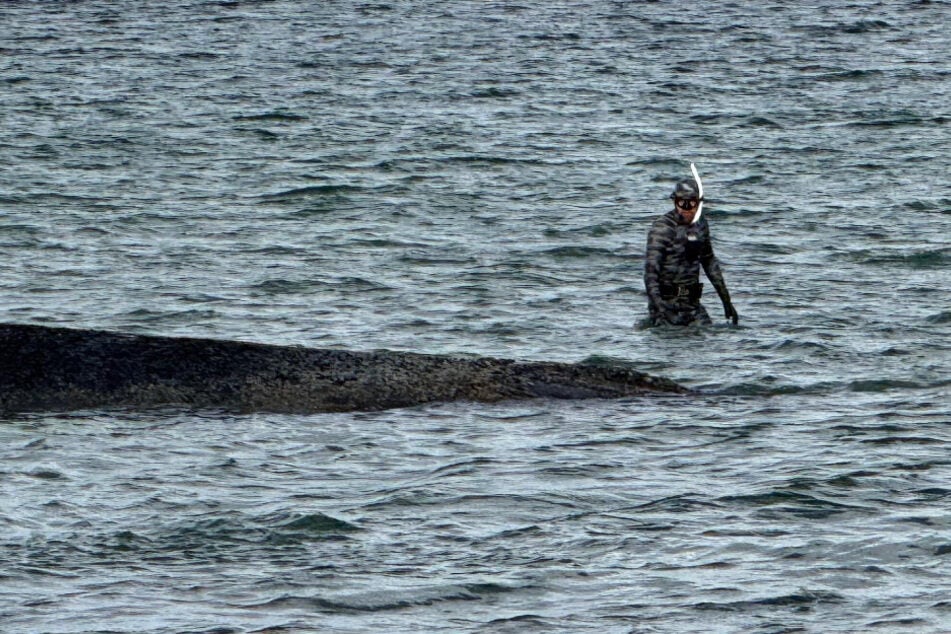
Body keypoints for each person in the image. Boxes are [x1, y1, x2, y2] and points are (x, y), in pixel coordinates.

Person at [643, 175, 738, 327]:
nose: (687, 209)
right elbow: (650, 275)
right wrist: (661, 309)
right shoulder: (662, 229)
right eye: (682, 203)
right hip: (667, 305)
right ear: (675, 203)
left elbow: (709, 261)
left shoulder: (700, 225)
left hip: (692, 304)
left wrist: (726, 300)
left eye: (692, 204)